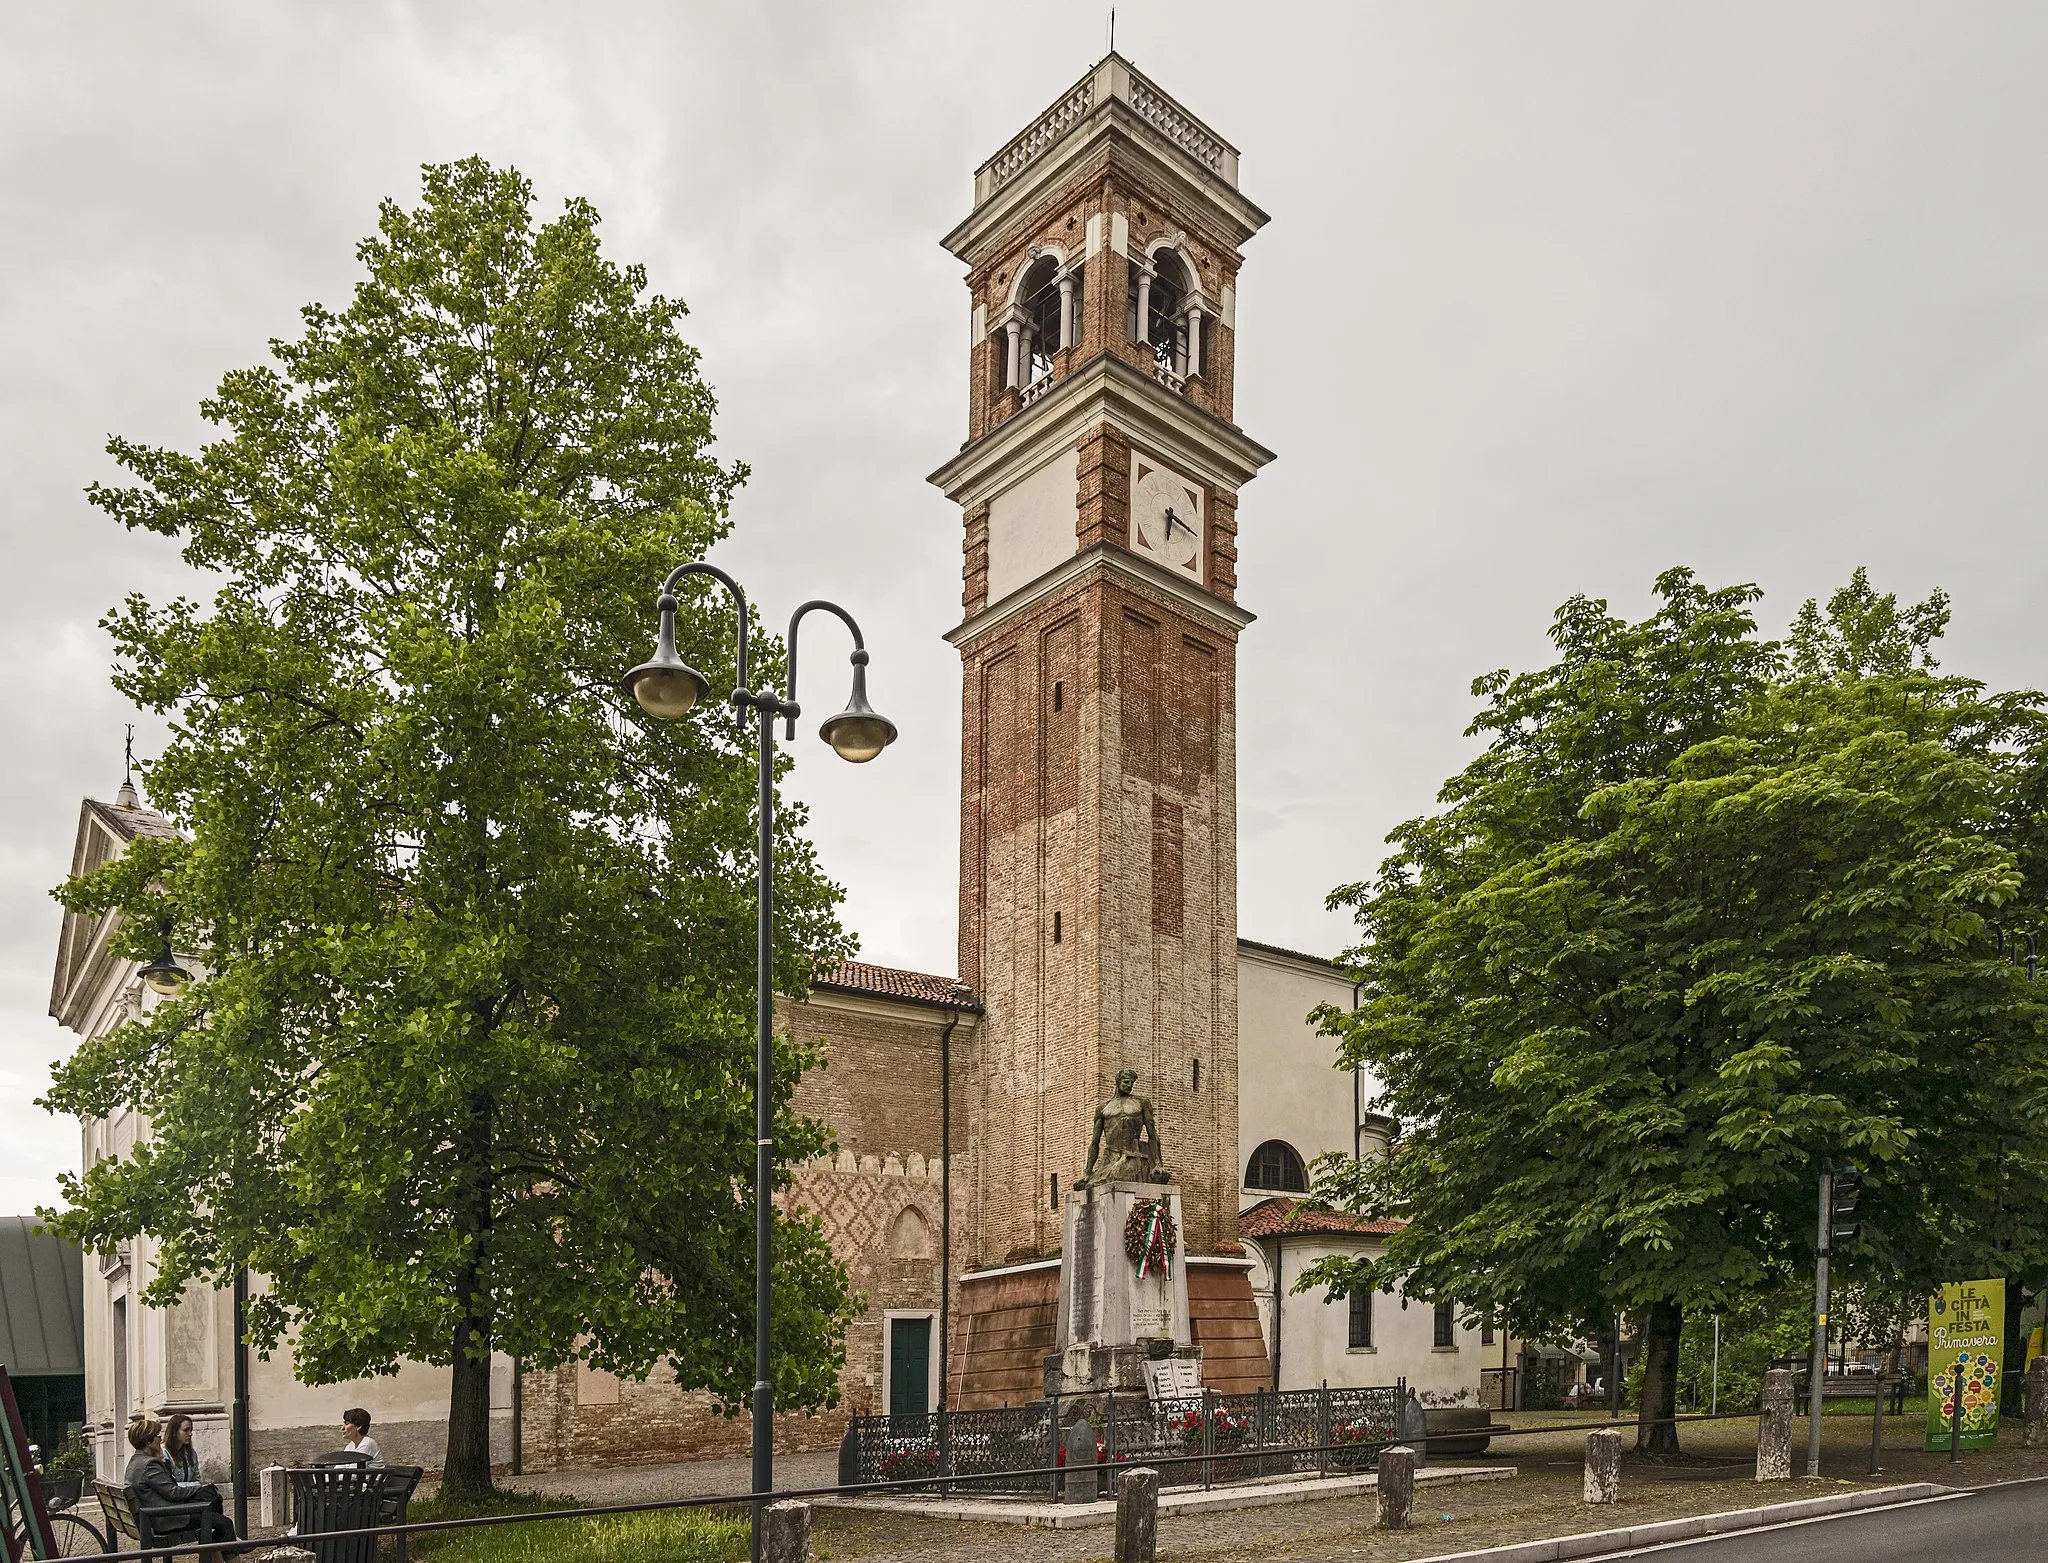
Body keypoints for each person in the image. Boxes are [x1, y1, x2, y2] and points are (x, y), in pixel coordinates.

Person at [123, 1413, 243, 1553]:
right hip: (166, 1519)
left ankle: (226, 1543)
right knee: (224, 1523)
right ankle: (231, 1543)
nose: (160, 1438)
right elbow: (173, 1492)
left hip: (154, 1516)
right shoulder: (149, 1464)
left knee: (213, 1510)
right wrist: (198, 1489)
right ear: (148, 1441)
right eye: (157, 1435)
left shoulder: (135, 1461)